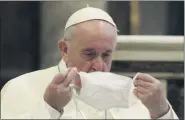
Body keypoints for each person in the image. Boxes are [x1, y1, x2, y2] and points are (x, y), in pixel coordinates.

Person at [1, 7, 178, 119]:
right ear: (64, 49)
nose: (99, 66)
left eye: (107, 54)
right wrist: (50, 108)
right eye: (89, 54)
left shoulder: (134, 96)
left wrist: (161, 111)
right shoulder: (21, 88)